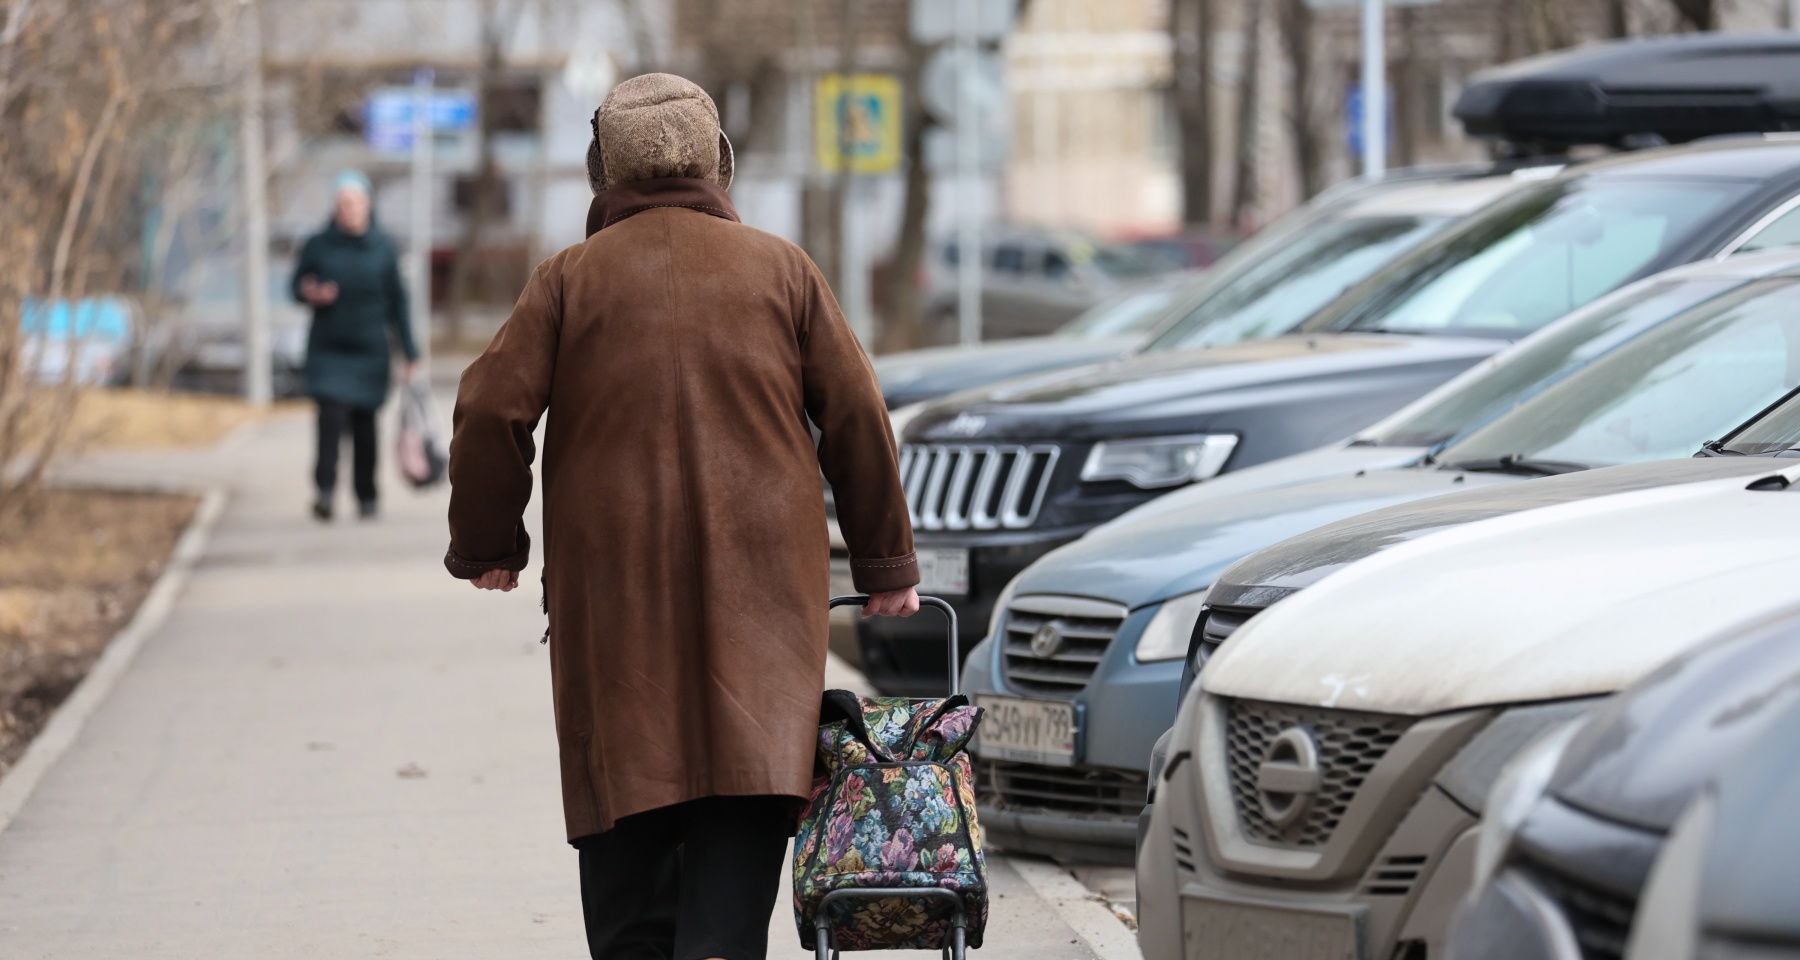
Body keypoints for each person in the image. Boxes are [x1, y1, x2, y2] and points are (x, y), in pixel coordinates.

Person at [443, 73, 920, 960]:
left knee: (627, 897)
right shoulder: (784, 272)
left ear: (602, 170)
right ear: (718, 164)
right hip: (764, 623)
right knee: (730, 904)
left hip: (615, 622)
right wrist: (886, 566)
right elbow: (857, 412)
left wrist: (489, 545)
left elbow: (488, 411)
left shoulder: (567, 283)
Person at [291, 170, 420, 521]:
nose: (347, 209)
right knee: (330, 421)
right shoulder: (318, 244)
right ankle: (325, 491)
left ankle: (367, 495)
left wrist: (409, 351)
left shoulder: (383, 247)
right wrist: (311, 293)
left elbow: (397, 303)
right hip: (328, 351)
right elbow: (296, 286)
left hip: (369, 352)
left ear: (367, 206)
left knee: (365, 426)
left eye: (353, 203)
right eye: (341, 204)